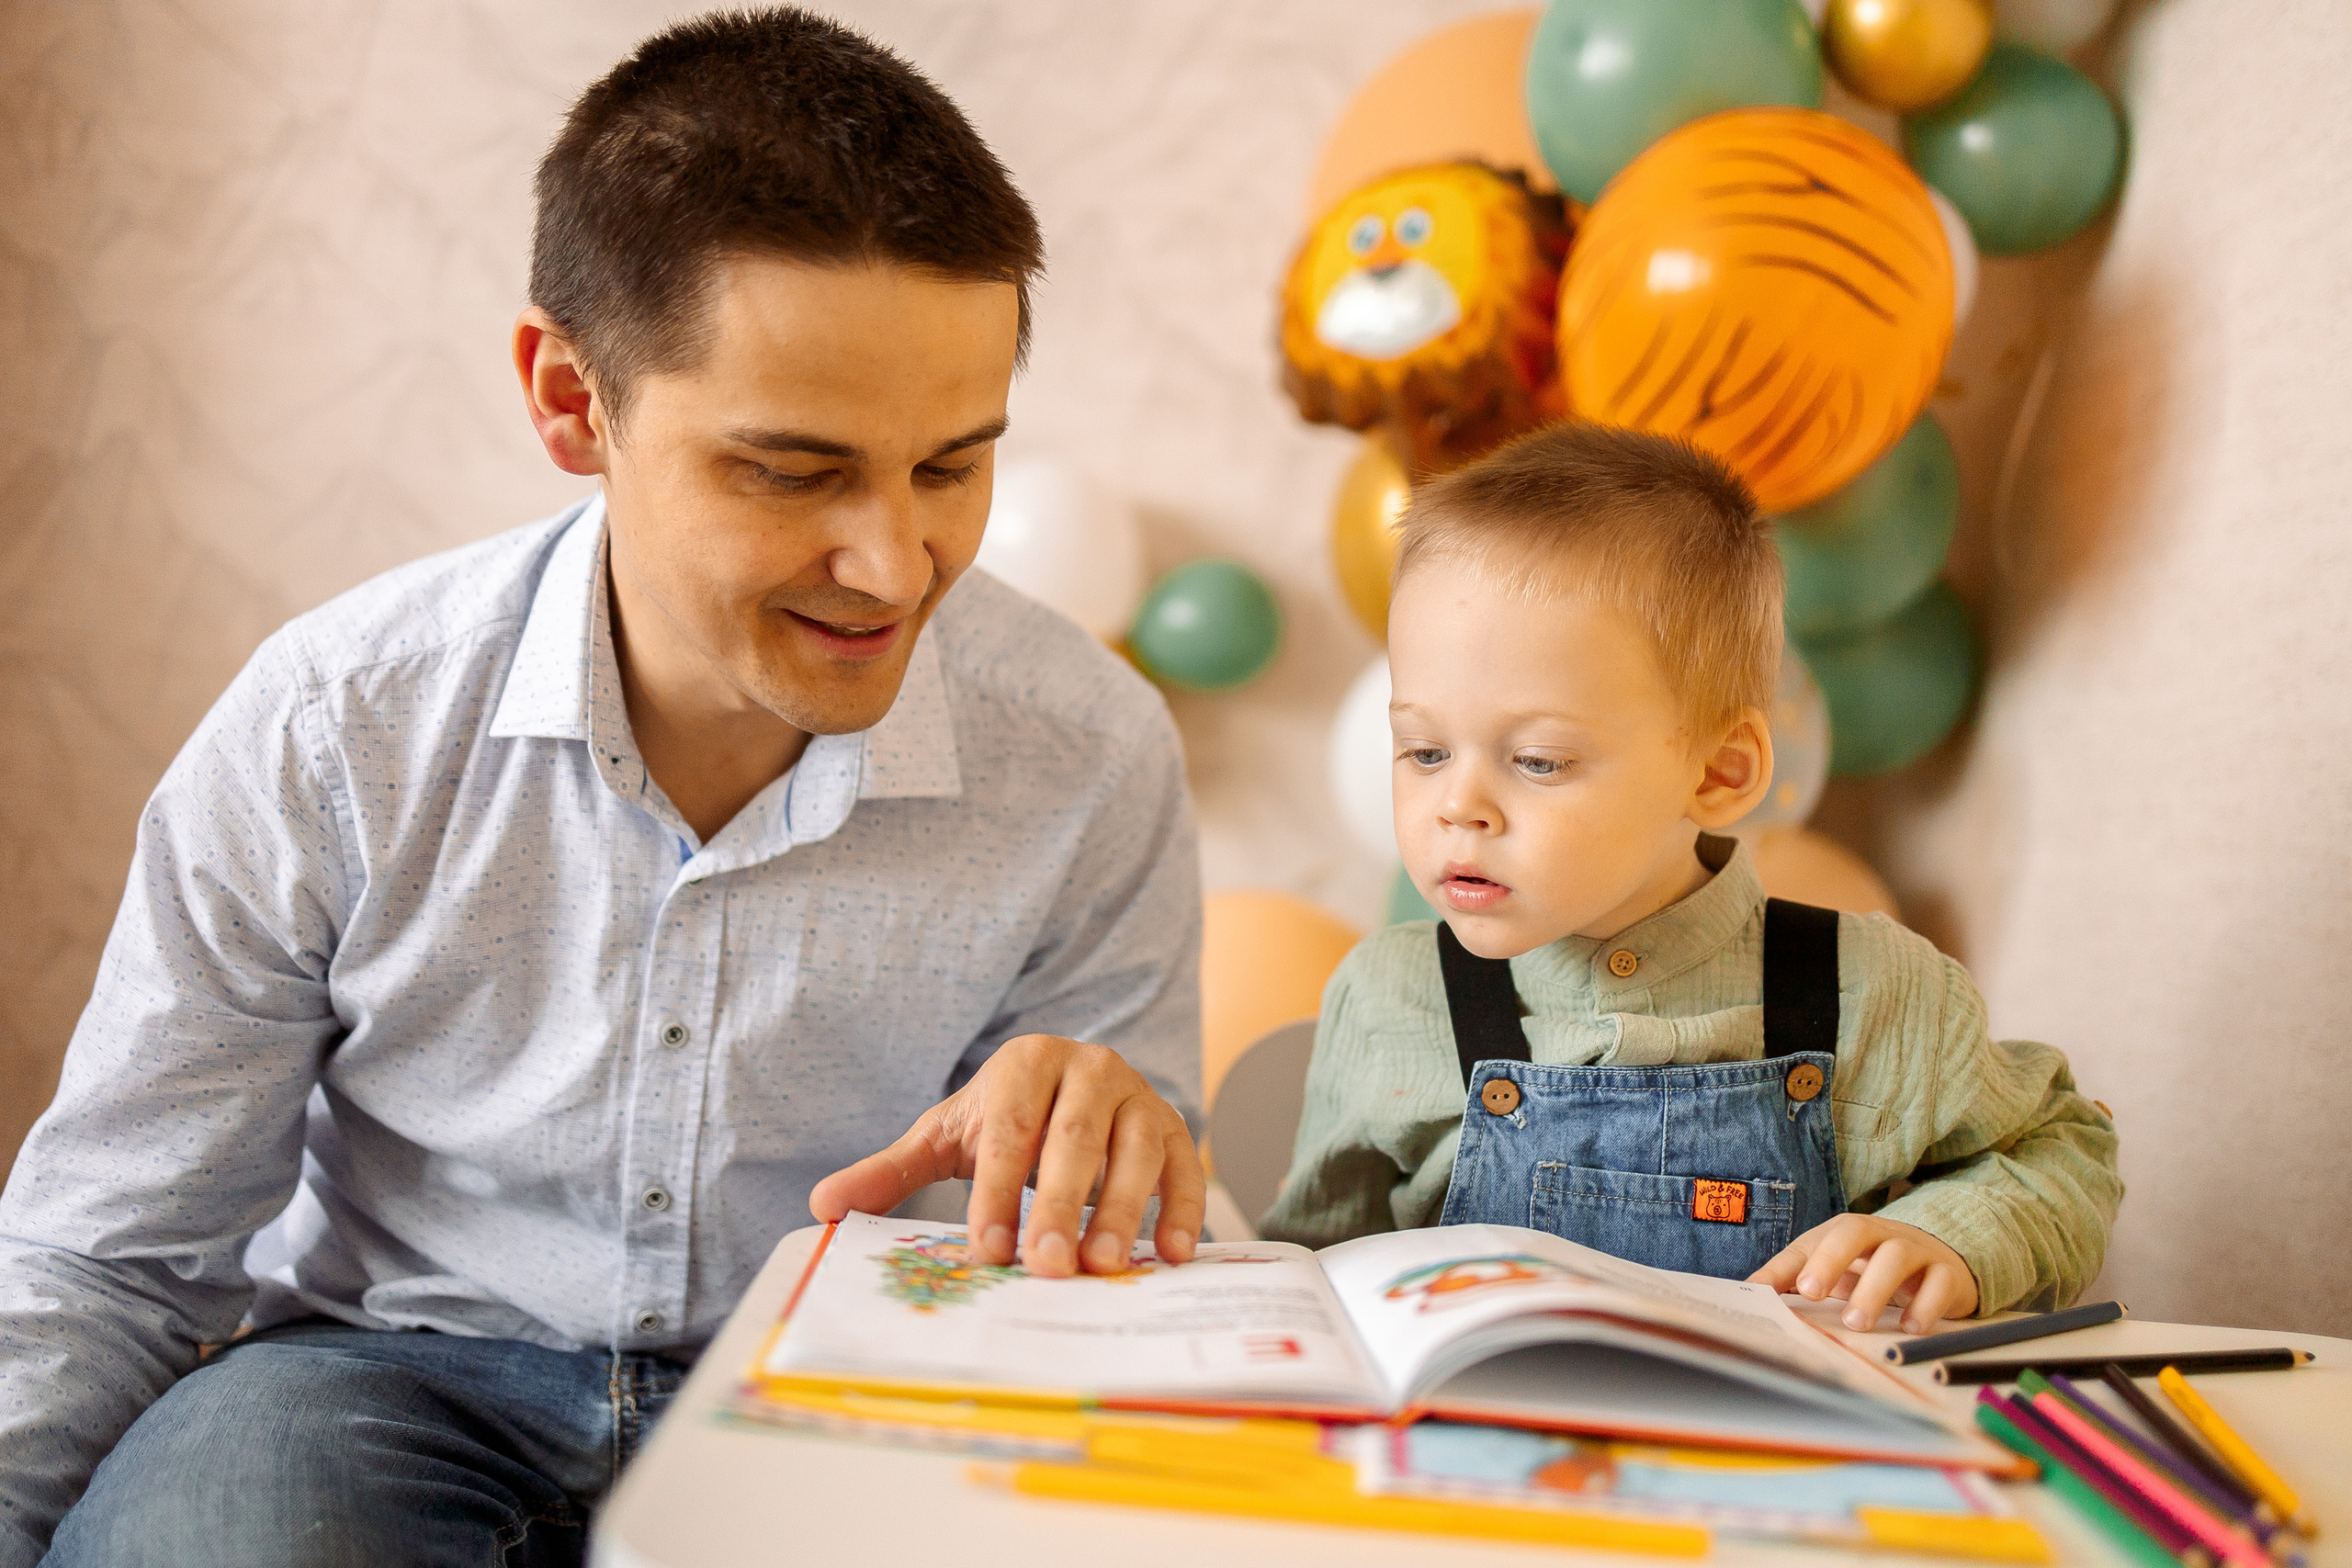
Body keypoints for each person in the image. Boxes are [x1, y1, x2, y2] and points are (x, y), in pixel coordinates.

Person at [0, 11, 1205, 1565]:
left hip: (845, 1398)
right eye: (794, 470)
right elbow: (115, 1258)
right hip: (377, 1376)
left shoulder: (1090, 746)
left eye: (952, 465)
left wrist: (1110, 1156)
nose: (895, 564)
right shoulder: (333, 727)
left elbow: (1104, 1257)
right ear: (572, 400)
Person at [1260, 423, 2120, 1335]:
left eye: (1538, 760)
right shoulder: (1386, 1000)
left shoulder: (1878, 993)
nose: (1456, 807)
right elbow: (1312, 1282)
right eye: (1424, 750)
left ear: (1717, 773)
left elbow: (2062, 1148)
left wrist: (1950, 1236)